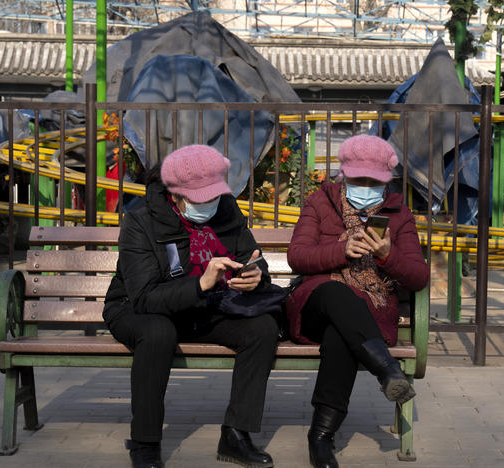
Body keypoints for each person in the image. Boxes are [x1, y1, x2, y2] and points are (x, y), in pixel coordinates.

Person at [103, 144, 279, 468]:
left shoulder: (227, 209)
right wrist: (200, 283)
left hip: (208, 307)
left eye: (214, 195)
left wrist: (256, 277)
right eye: (200, 198)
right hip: (138, 308)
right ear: (175, 193)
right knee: (158, 333)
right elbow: (144, 297)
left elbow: (251, 258)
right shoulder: (141, 222)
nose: (209, 204)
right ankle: (145, 442)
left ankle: (236, 435)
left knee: (262, 329)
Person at [286, 135, 429, 468]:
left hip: (367, 317)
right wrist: (341, 250)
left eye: (373, 181)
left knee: (342, 334)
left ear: (385, 181)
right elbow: (298, 256)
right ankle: (387, 371)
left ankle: (321, 437)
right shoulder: (319, 203)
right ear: (344, 175)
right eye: (358, 180)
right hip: (315, 307)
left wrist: (387, 256)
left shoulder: (399, 214)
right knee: (338, 293)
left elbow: (418, 276)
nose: (365, 186)